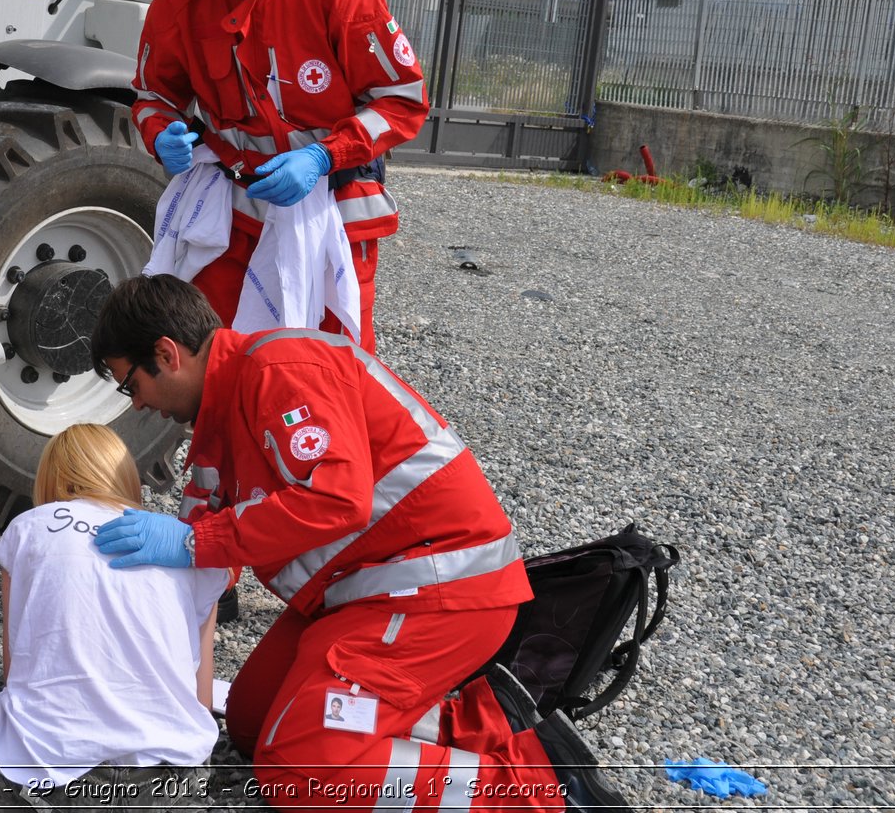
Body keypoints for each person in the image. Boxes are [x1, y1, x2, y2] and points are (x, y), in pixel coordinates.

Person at [90, 274, 632, 813]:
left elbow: (335, 500)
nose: (135, 405)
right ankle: (484, 720)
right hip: (364, 590)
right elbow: (202, 544)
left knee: (298, 771)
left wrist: (194, 544)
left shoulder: (279, 371)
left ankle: (537, 789)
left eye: (128, 384)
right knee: (255, 721)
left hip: (439, 589)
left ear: (166, 354)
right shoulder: (220, 415)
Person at [132, 0, 429, 353]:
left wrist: (322, 157)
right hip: (231, 210)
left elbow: (402, 102)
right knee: (217, 358)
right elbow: (151, 97)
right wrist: (160, 134)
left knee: (332, 366)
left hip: (333, 208)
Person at [0, 423, 228, 809]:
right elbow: (199, 704)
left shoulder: (31, 529)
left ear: (51, 482)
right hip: (168, 790)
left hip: (40, 788)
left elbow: (17, 680)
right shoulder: (191, 550)